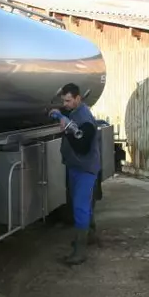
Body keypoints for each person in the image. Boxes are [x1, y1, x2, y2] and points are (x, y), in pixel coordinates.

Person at [49, 83, 101, 265]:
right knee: (82, 203)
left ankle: (80, 251)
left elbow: (83, 146)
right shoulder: (74, 112)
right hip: (75, 167)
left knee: (80, 207)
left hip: (84, 169)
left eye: (69, 101)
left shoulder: (85, 118)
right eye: (63, 101)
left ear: (78, 98)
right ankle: (90, 235)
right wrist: (61, 115)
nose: (66, 104)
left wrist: (66, 129)